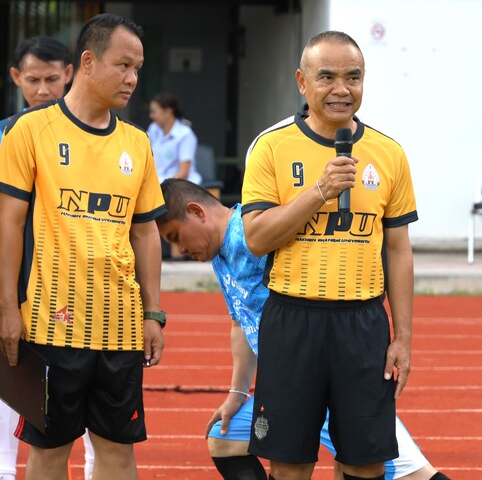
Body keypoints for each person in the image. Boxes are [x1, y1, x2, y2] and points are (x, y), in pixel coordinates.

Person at [156, 178, 449, 480]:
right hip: (288, 384)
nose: (178, 249)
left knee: (410, 474)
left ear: (197, 211)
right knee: (224, 437)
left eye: (176, 236)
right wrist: (237, 392)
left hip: (323, 372)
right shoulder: (220, 252)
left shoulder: (253, 232)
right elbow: (239, 321)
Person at [241, 30, 416, 480]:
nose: (342, 89)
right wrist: (319, 191)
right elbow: (257, 238)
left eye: (353, 77)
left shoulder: (389, 152)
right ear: (302, 82)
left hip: (363, 324)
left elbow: (397, 249)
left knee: (366, 462)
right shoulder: (271, 147)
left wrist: (403, 337)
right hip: (293, 319)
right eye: (327, 77)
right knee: (290, 462)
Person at [0, 13, 166, 480]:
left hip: (122, 330)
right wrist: (7, 307)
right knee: (50, 453)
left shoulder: (138, 142)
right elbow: (8, 223)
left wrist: (153, 313)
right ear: (88, 62)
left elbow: (145, 232)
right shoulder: (29, 132)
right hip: (52, 326)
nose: (132, 78)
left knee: (117, 453)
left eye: (138, 68)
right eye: (123, 66)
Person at [0, 36, 99, 480]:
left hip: (83, 292)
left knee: (95, 414)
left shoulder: (100, 132)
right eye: (34, 79)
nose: (43, 90)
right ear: (16, 78)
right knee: (9, 398)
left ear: (70, 75)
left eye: (53, 79)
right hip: (15, 284)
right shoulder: (5, 134)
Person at [147, 91, 202, 184]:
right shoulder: (153, 128)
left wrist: (163, 188)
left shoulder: (185, 134)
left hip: (179, 187)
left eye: (154, 112)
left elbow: (183, 172)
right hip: (156, 182)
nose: (151, 116)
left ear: (168, 112)